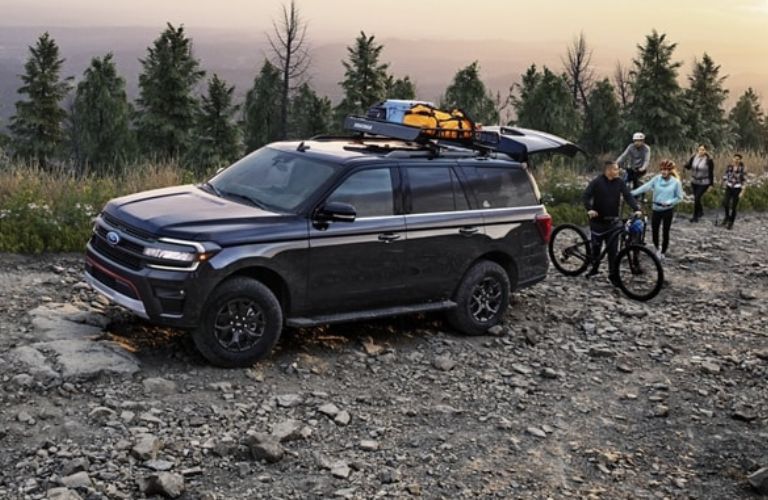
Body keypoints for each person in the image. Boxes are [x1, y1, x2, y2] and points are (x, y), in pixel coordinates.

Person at [583, 161, 642, 285]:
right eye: (615, 169)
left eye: (618, 169)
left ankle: (613, 275)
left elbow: (627, 196)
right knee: (596, 249)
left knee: (613, 251)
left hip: (613, 221)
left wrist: (636, 209)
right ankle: (594, 268)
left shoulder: (620, 182)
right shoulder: (597, 182)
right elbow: (585, 196)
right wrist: (590, 209)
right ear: (608, 170)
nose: (618, 171)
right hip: (598, 221)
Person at [630, 159, 684, 260]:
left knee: (665, 231)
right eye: (662, 169)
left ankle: (663, 251)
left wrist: (669, 202)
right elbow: (645, 187)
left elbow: (679, 197)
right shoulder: (657, 179)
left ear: (670, 171)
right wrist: (632, 193)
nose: (663, 171)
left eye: (666, 170)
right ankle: (656, 248)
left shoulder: (676, 182)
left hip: (667, 210)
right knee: (655, 230)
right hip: (656, 209)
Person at [683, 144, 714, 222]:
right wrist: (685, 166)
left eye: (703, 150)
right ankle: (700, 211)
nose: (701, 151)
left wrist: (711, 184)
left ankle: (695, 216)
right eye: (700, 149)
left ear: (706, 151)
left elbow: (711, 173)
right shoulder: (694, 157)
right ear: (698, 150)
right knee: (697, 198)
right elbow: (689, 166)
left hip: (704, 182)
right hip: (694, 181)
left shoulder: (709, 160)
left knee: (697, 198)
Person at [722, 153, 746, 230]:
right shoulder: (729, 167)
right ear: (733, 159)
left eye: (738, 159)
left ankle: (731, 223)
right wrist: (723, 181)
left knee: (733, 207)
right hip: (729, 186)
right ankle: (727, 217)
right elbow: (726, 175)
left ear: (740, 160)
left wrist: (742, 192)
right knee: (725, 203)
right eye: (735, 158)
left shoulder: (742, 169)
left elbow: (744, 181)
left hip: (737, 188)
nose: (736, 160)